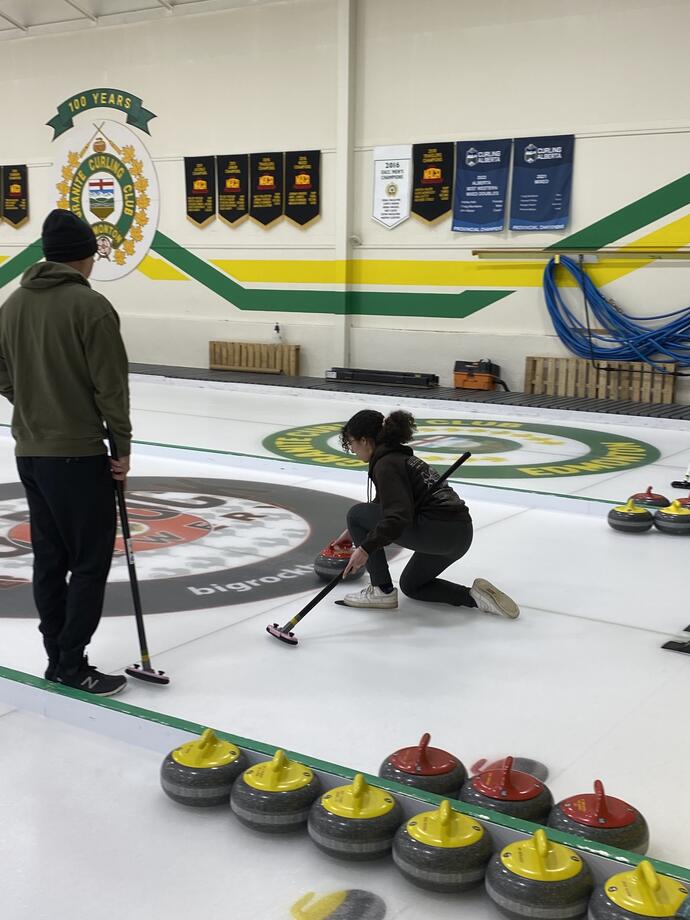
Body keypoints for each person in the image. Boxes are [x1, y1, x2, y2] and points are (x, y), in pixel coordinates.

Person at [0, 209, 132, 696]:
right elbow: (110, 388)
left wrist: (29, 403)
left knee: (50, 558)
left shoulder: (13, 304)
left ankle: (57, 655)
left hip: (30, 452)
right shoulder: (90, 306)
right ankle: (71, 663)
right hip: (78, 455)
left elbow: (1, 372)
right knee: (90, 562)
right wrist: (121, 446)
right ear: (85, 255)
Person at [333, 409, 519, 617]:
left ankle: (381, 590)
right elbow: (386, 504)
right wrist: (354, 531)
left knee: (355, 514)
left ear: (365, 440)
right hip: (460, 535)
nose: (351, 449)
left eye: (351, 442)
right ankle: (475, 597)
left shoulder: (386, 465)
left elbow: (397, 516)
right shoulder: (399, 459)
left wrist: (365, 548)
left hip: (438, 531)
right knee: (412, 585)